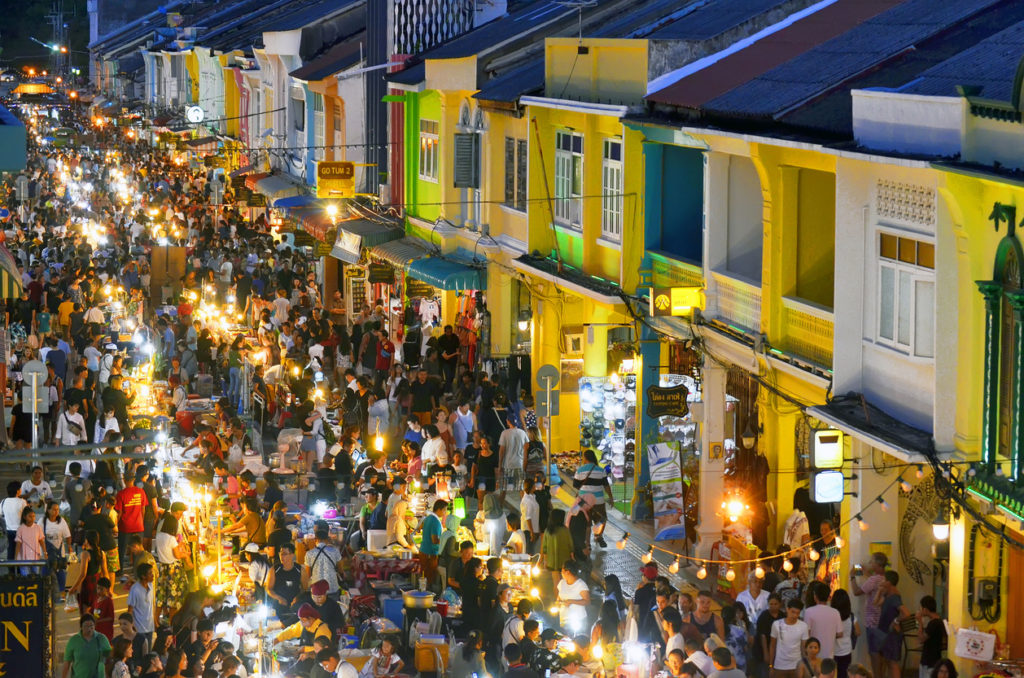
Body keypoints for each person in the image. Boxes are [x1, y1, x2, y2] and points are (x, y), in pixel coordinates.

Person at [850, 553, 886, 678]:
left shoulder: (873, 580)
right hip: (882, 621)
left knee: (874, 653)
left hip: (872, 621)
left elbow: (856, 592)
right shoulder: (884, 578)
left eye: (872, 562)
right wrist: (866, 573)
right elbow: (874, 581)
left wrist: (852, 577)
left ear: (878, 564)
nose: (870, 564)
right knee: (881, 654)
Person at [572, 448, 613, 547]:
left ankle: (587, 544)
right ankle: (598, 536)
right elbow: (606, 485)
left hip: (584, 501)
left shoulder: (580, 470)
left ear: (585, 458)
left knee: (586, 523)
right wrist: (611, 497)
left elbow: (575, 485)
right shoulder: (601, 470)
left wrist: (583, 489)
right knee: (601, 519)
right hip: (598, 501)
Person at [876, 571, 911, 678]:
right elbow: (876, 604)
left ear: (889, 582)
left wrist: (896, 621)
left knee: (892, 663)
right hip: (885, 633)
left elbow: (906, 613)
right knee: (887, 661)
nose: (881, 581)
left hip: (892, 634)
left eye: (884, 579)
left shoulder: (894, 597)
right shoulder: (888, 595)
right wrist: (879, 591)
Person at [770, 599, 808, 678]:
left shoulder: (803, 626)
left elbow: (804, 648)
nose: (795, 616)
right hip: (780, 665)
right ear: (787, 609)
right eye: (792, 612)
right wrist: (771, 666)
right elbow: (772, 646)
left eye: (797, 613)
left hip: (797, 665)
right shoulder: (776, 624)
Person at [805, 581, 842, 659]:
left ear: (815, 596)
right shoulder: (835, 612)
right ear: (828, 597)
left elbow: (806, 634)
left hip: (813, 654)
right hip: (829, 654)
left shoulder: (808, 611)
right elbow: (839, 634)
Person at [43, 500, 72, 596]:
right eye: (54, 509)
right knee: (46, 573)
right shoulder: (42, 521)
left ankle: (62, 594)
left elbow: (67, 536)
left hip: (60, 553)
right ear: (48, 510)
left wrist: (69, 547)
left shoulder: (62, 521)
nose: (56, 512)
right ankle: (46, 594)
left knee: (61, 574)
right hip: (46, 553)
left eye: (57, 510)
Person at [303, 525, 342, 595]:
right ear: (327, 539)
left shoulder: (309, 554)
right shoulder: (335, 551)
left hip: (317, 591)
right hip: (333, 589)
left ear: (315, 539)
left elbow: (307, 575)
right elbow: (341, 570)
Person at [419, 499, 447, 588]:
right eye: (444, 510)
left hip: (424, 550)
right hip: (430, 553)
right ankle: (428, 595)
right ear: (439, 509)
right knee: (429, 577)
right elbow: (434, 539)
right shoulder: (435, 521)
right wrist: (444, 540)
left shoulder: (429, 518)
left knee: (424, 577)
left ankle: (424, 593)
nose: (445, 513)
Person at [540, 508, 573, 587]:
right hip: (564, 561)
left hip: (552, 562)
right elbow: (571, 545)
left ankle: (557, 599)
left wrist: (544, 561)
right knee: (565, 582)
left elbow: (544, 548)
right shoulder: (565, 530)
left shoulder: (548, 531)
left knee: (556, 583)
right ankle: (565, 598)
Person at [755, 594, 785, 678]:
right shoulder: (764, 616)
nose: (773, 606)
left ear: (780, 604)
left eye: (775, 604)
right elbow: (762, 636)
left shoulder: (783, 616)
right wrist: (766, 653)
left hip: (778, 649)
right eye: (771, 604)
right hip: (764, 648)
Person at [557, 560, 591, 634]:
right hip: (564, 620)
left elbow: (587, 601)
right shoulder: (562, 583)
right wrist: (559, 603)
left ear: (567, 572)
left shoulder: (581, 585)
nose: (561, 573)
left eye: (562, 571)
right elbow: (559, 598)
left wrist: (571, 601)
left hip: (578, 620)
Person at [127, 562, 157, 646]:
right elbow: (130, 610)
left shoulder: (151, 586)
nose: (153, 575)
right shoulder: (135, 589)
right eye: (150, 573)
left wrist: (155, 622)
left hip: (150, 627)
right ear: (143, 576)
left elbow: (152, 605)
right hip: (139, 629)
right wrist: (132, 626)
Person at [831, 589, 858, 678]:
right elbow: (858, 632)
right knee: (843, 674)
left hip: (832, 651)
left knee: (831, 673)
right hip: (846, 650)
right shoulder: (851, 617)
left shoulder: (832, 617)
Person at [917, 595, 946, 678]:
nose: (920, 611)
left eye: (921, 608)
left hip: (930, 661)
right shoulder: (938, 621)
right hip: (934, 659)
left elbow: (921, 639)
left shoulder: (934, 623)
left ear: (925, 609)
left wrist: (920, 622)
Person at [2, 481, 27, 560]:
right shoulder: (22, 502)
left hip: (8, 530)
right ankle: (20, 570)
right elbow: (26, 514)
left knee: (10, 550)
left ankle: (11, 570)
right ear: (17, 491)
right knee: (20, 551)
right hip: (20, 530)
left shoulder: (3, 502)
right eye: (20, 489)